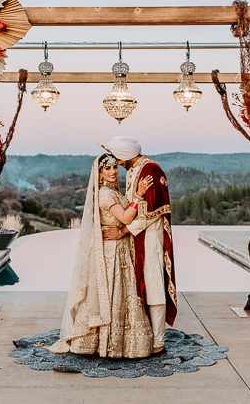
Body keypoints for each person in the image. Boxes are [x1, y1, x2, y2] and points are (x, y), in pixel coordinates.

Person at [49, 153, 155, 358]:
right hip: (111, 251)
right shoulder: (106, 194)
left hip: (120, 246)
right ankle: (105, 343)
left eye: (115, 167)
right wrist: (139, 196)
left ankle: (120, 343)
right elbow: (124, 217)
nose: (113, 171)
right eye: (107, 168)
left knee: (121, 294)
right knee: (111, 294)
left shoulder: (112, 191)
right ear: (99, 173)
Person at [103, 136, 177, 355]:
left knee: (154, 288)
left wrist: (124, 231)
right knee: (142, 287)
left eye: (117, 158)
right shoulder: (136, 169)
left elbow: (154, 210)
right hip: (136, 240)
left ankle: (158, 342)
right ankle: (145, 336)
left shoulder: (150, 170)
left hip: (151, 239)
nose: (116, 164)